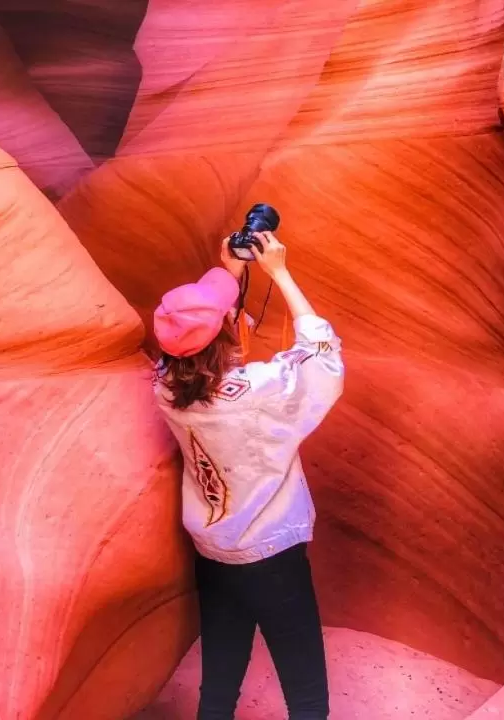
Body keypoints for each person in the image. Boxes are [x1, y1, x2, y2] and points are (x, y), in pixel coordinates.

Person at [150, 230, 345, 720]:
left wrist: (229, 273)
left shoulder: (165, 386)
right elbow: (322, 356)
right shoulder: (258, 392)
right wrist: (279, 272)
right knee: (306, 699)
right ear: (226, 333)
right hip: (271, 558)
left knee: (219, 686)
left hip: (213, 553)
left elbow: (189, 342)